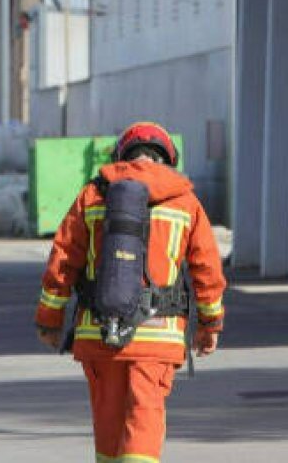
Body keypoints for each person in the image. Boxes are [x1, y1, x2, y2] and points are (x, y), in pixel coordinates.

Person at [34, 122, 226, 463]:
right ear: (168, 158)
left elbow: (62, 260)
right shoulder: (184, 202)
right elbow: (207, 271)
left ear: (122, 155)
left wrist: (49, 320)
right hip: (159, 338)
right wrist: (210, 325)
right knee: (143, 422)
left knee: (108, 428)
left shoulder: (93, 195)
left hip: (99, 334)